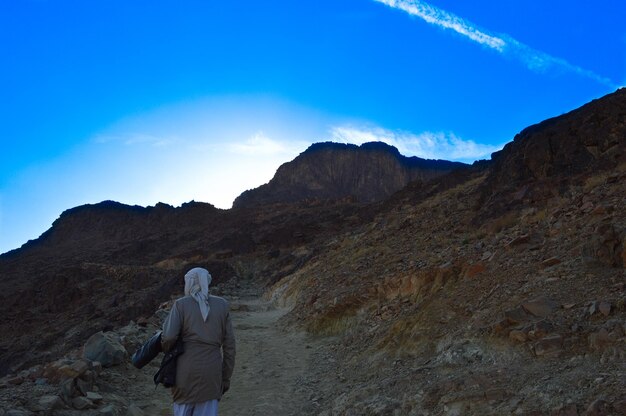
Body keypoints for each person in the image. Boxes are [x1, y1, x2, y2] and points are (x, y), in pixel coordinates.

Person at [162, 267, 236, 416]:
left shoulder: (180, 305)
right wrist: (225, 378)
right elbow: (230, 347)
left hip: (184, 372)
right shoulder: (222, 305)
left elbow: (168, 337)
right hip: (212, 373)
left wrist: (167, 350)